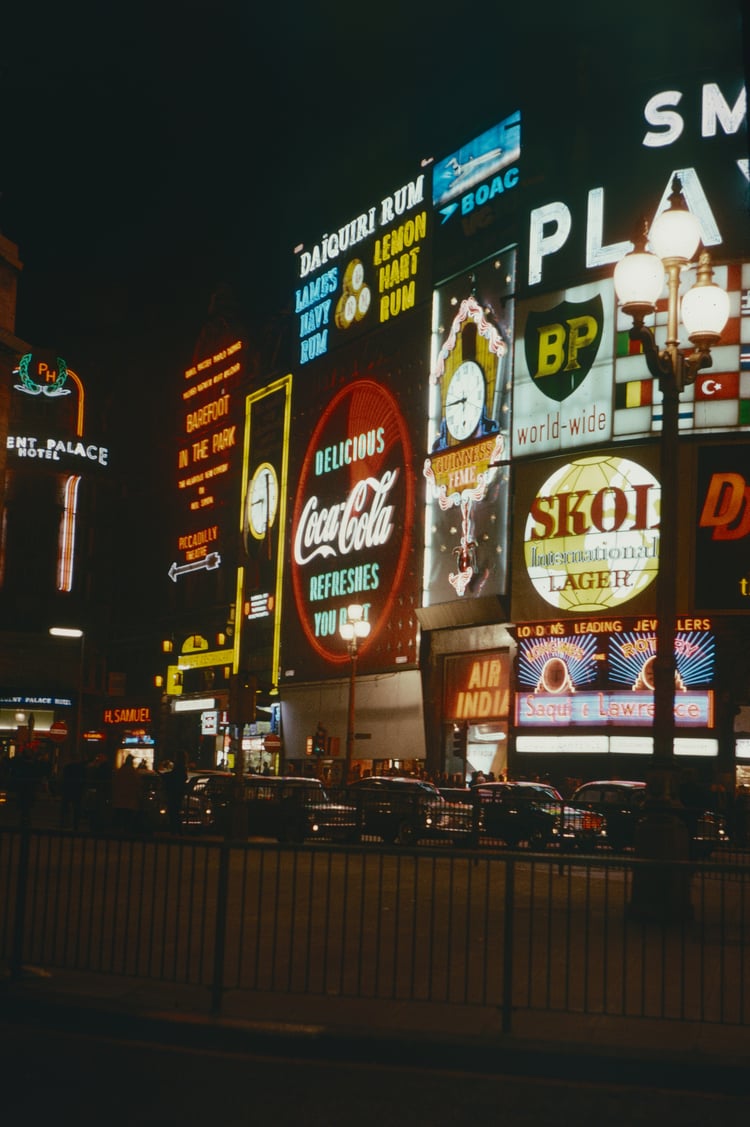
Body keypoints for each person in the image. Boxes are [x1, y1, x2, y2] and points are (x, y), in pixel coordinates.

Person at [111, 754, 142, 833]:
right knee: (128, 816)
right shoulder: (133, 772)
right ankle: (127, 831)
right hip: (130, 798)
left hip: (120, 797)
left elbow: (115, 782)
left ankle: (119, 830)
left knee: (120, 814)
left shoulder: (120, 771)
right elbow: (137, 784)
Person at [60, 753, 87, 830]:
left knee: (65, 807)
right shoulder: (82, 768)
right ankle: (75, 825)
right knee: (76, 808)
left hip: (68, 789)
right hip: (77, 790)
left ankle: (64, 823)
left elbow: (63, 778)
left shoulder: (67, 767)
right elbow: (84, 779)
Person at [163, 751, 187, 834]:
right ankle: (177, 829)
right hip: (178, 792)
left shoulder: (179, 767)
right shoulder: (183, 767)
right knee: (176, 811)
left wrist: (165, 775)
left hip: (174, 792)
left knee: (173, 811)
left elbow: (173, 776)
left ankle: (175, 829)